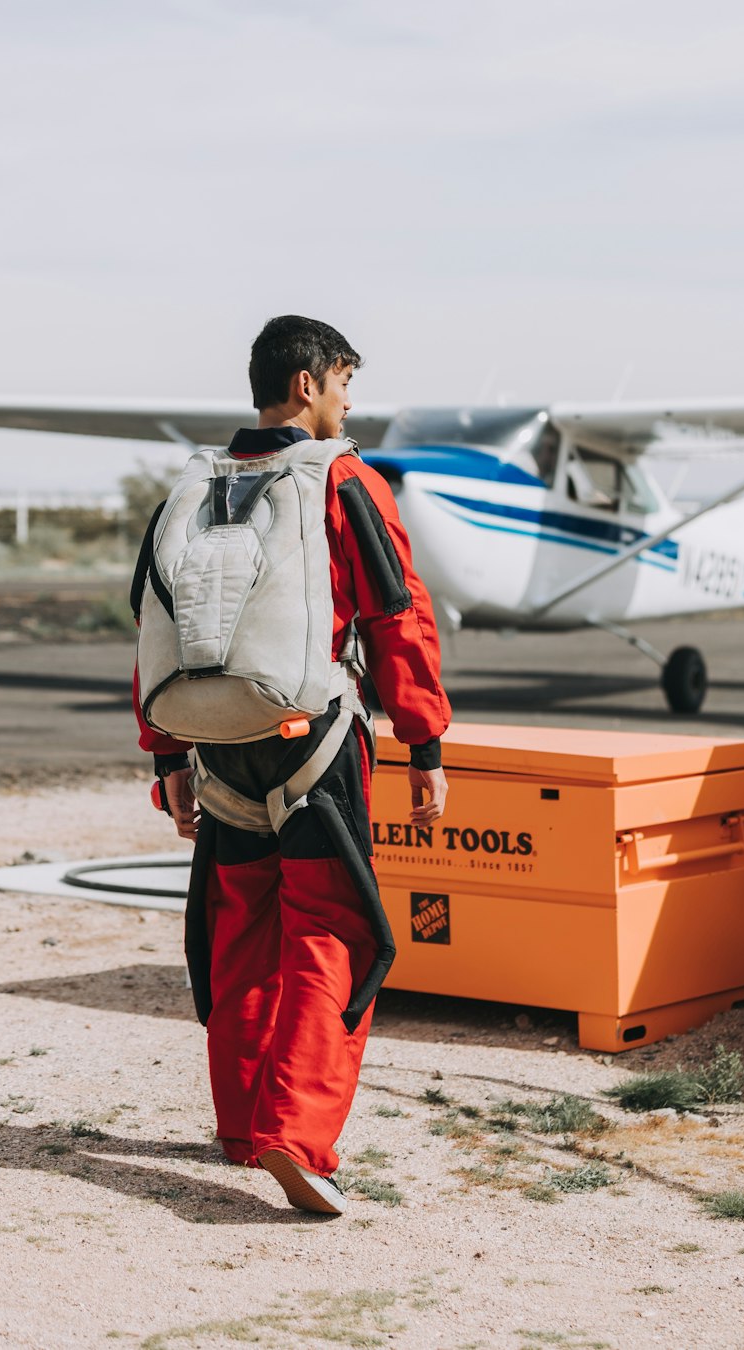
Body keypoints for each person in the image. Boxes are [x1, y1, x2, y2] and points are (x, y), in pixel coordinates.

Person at [132, 315, 451, 1216]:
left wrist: (167, 760)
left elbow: (154, 625)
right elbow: (399, 615)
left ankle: (242, 1126)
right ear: (309, 384)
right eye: (346, 384)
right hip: (314, 744)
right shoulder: (342, 479)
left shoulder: (194, 487)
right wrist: (425, 740)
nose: (350, 403)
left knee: (240, 937)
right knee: (330, 933)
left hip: (215, 747)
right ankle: (299, 1138)